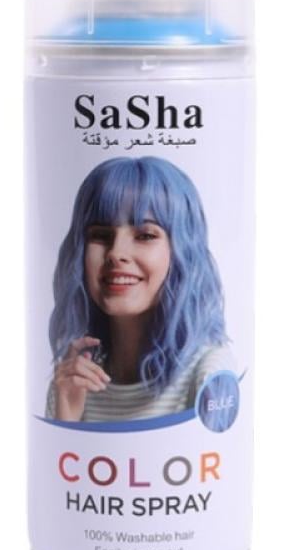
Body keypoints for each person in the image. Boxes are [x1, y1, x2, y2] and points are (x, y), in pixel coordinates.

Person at [45, 156, 234, 422]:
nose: (116, 253)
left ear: (182, 253)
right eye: (101, 235)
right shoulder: (72, 381)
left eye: (145, 235)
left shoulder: (209, 372)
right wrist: (66, 412)